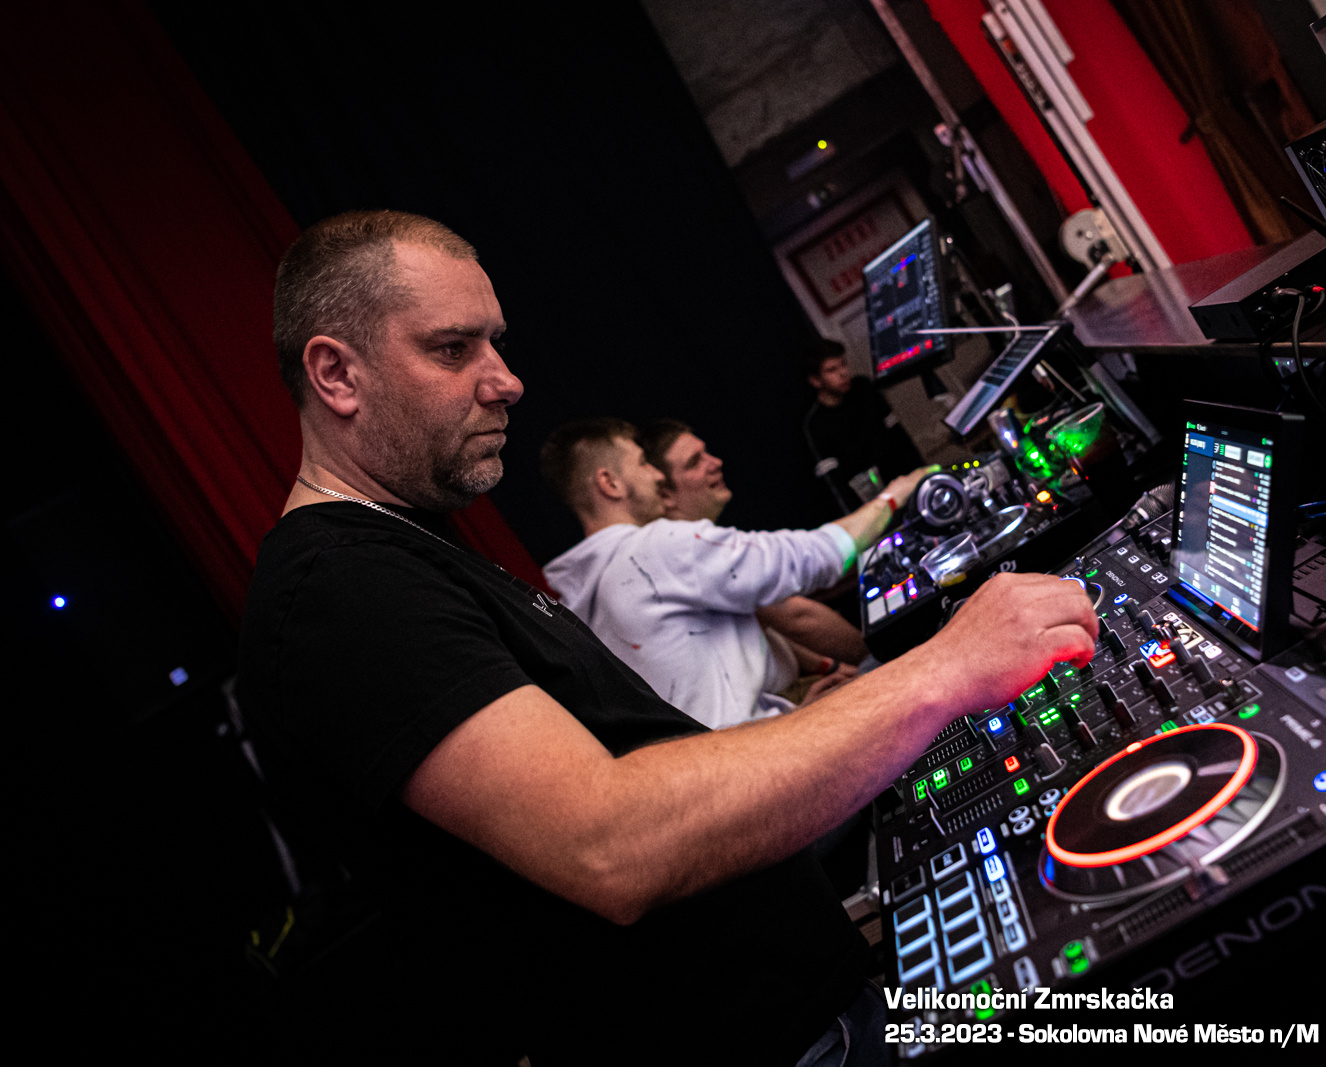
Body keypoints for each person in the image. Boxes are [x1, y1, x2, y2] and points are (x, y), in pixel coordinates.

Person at [236, 210, 1098, 1063]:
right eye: (454, 348)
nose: (507, 381)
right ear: (336, 374)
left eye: (496, 344)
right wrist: (944, 669)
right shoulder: (342, 588)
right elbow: (607, 841)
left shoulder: (403, 552)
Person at [540, 420, 925, 730]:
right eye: (642, 463)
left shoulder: (580, 597)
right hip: (765, 767)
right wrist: (895, 496)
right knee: (914, 667)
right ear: (609, 483)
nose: (656, 475)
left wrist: (791, 714)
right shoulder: (653, 549)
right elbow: (813, 557)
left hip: (726, 762)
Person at [636, 417, 868, 669]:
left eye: (706, 453)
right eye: (695, 462)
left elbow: (763, 623)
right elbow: (796, 617)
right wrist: (877, 654)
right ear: (665, 494)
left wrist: (826, 666)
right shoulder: (690, 552)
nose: (715, 463)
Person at [801, 341, 926, 514]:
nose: (843, 373)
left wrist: (923, 477)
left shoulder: (863, 388)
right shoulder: (816, 423)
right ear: (816, 381)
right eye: (832, 370)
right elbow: (835, 483)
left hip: (903, 483)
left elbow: (899, 437)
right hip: (874, 504)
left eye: (843, 364)